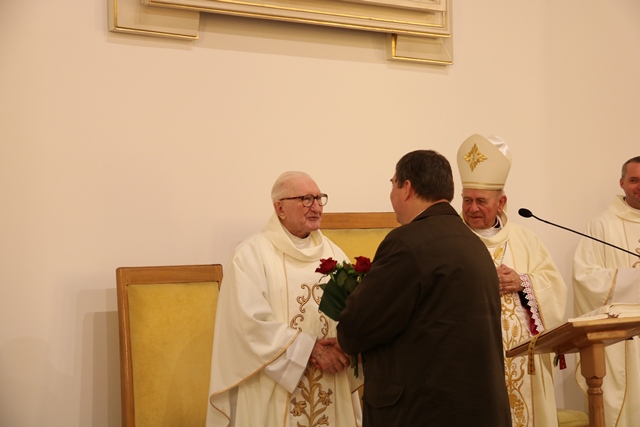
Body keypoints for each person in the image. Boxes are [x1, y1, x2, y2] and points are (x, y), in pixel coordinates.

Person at [337, 150, 511, 427]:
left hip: (422, 411)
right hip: (477, 410)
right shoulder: (473, 243)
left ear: (407, 188)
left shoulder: (406, 243)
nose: (391, 193)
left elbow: (358, 327)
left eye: (393, 183)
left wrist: (344, 336)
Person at [206, 171, 363, 427]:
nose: (316, 207)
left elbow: (353, 311)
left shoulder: (335, 254)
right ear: (279, 208)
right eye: (306, 199)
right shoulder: (251, 255)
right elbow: (248, 325)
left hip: (332, 379)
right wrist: (310, 349)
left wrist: (346, 345)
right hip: (272, 389)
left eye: (319, 198)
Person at [456, 134, 568, 427]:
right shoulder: (451, 239)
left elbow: (555, 285)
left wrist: (524, 282)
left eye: (481, 201)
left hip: (524, 360)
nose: (472, 208)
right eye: (467, 200)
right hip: (472, 357)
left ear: (501, 202)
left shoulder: (524, 239)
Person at [572, 156, 640, 427]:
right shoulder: (601, 225)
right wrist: (634, 279)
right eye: (634, 180)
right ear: (622, 183)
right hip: (623, 336)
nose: (639, 186)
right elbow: (584, 277)